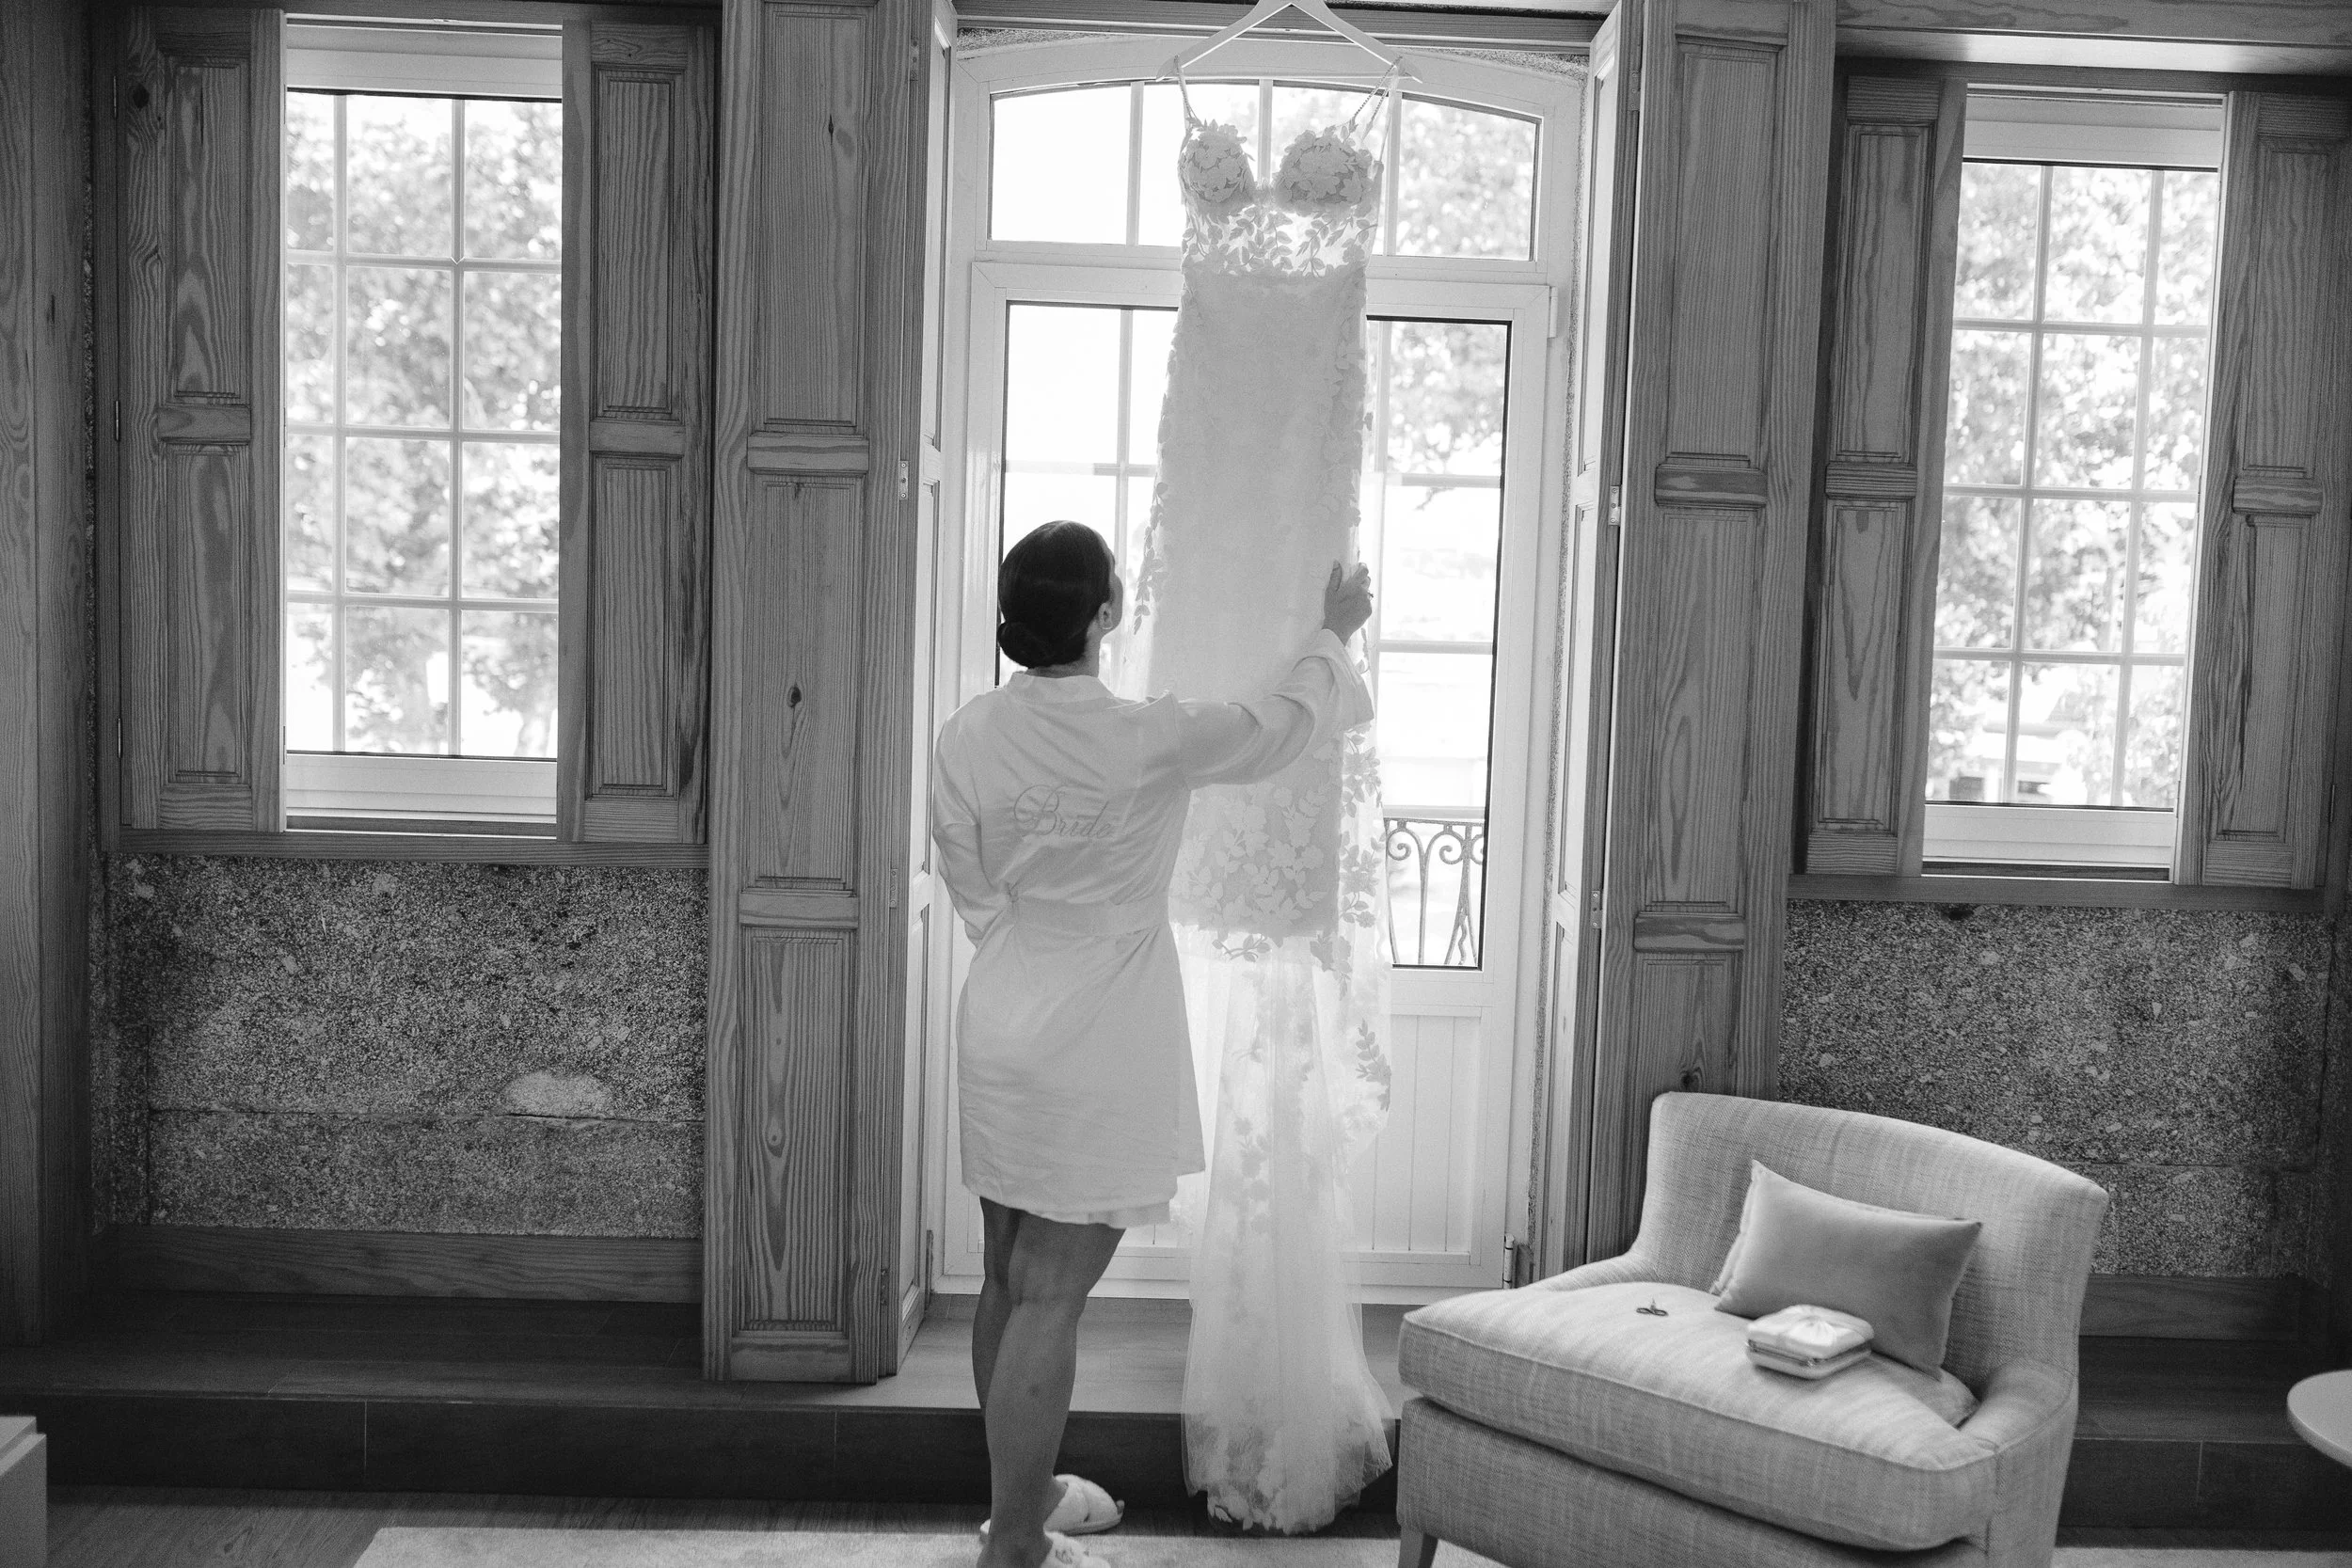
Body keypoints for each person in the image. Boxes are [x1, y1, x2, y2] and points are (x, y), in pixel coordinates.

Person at [931, 520, 1377, 1568]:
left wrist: (1031, 941)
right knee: (1049, 1286)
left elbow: (967, 875)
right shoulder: (1147, 732)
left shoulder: (966, 731)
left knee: (1007, 1269)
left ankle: (1021, 1498)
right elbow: (1276, 728)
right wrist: (1330, 631)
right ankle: (1014, 1543)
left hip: (1002, 1006)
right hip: (1101, 1022)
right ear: (1101, 615)